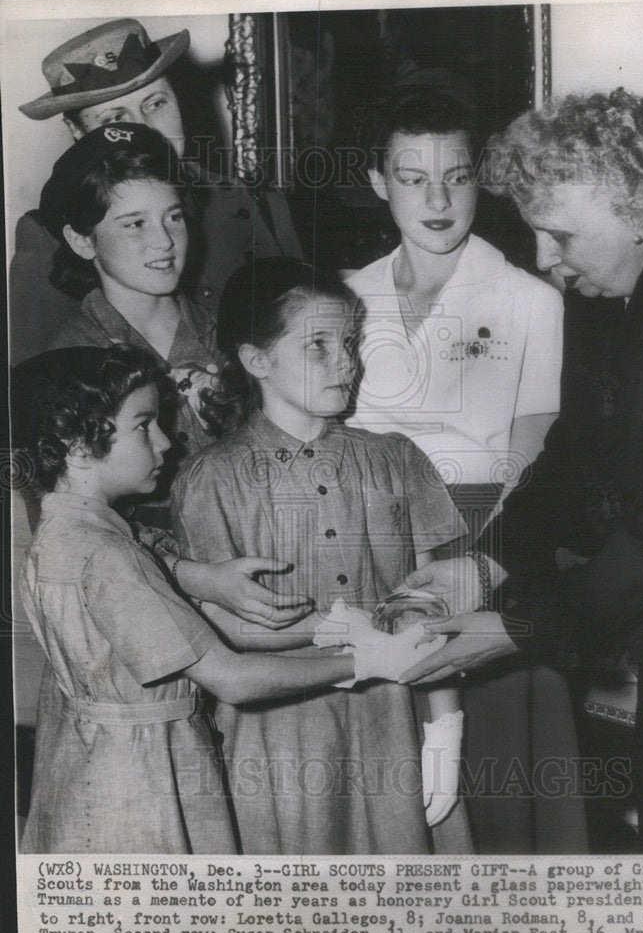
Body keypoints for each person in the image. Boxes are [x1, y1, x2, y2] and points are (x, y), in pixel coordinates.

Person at [400, 88, 643, 854]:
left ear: (639, 214)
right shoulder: (609, 298)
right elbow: (573, 452)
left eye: (558, 236)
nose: (545, 261)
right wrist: (484, 563)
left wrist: (519, 628)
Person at [14, 344, 415, 853]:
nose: (165, 442)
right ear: (78, 445)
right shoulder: (108, 557)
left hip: (90, 765)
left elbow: (160, 600)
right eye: (143, 424)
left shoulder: (65, 534)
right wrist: (367, 660)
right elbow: (234, 679)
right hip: (146, 779)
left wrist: (326, 625)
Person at [346, 75, 583, 853]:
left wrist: (479, 563)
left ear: (478, 176)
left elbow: (535, 454)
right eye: (413, 179)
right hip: (365, 556)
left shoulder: (530, 301)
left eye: (455, 176)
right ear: (379, 181)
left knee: (491, 805)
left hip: (483, 550)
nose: (437, 199)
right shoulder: (344, 299)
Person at [171, 257, 472, 854]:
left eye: (350, 342)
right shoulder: (213, 479)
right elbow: (218, 631)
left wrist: (445, 725)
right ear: (257, 360)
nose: (346, 361)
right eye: (318, 346)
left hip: (395, 718)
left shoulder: (394, 458)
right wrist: (335, 631)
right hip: (278, 735)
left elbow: (441, 604)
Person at [11, 18, 301, 365]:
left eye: (156, 104)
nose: (146, 129)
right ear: (76, 131)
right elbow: (36, 385)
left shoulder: (257, 202)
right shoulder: (51, 233)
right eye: (115, 118)